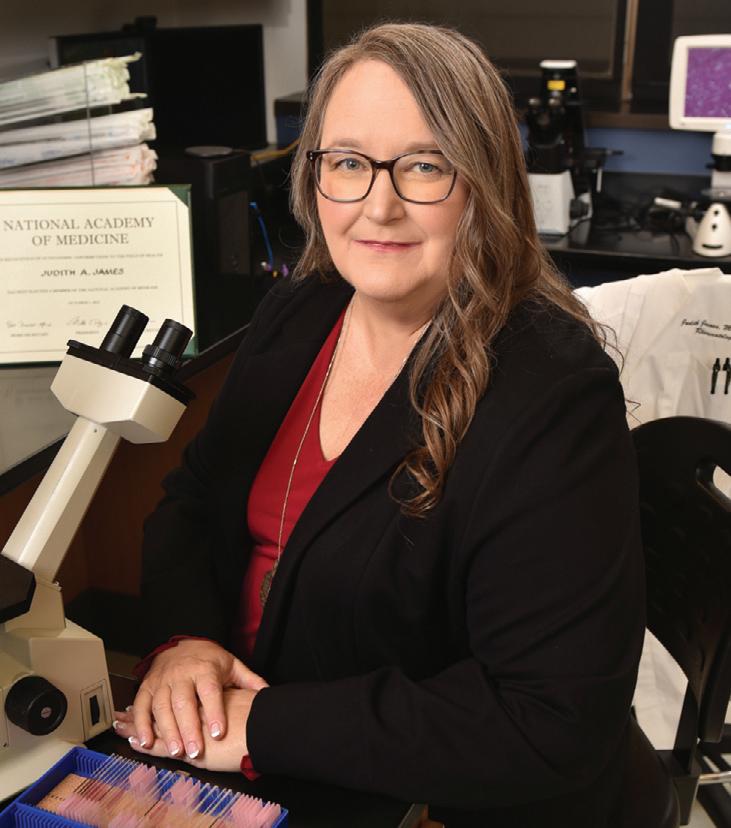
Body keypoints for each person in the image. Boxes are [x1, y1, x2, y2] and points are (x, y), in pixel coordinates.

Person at [113, 22, 645, 827]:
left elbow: (547, 718)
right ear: (313, 174)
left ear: (484, 182)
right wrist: (184, 645)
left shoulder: (553, 393)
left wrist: (261, 727)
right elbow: (190, 504)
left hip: (428, 801)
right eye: (349, 163)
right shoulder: (298, 312)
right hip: (241, 752)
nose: (379, 206)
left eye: (424, 166)